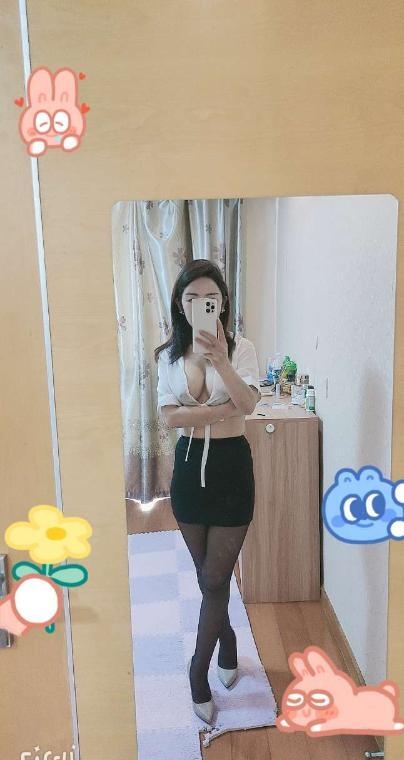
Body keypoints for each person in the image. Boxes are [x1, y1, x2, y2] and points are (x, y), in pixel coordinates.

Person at [154, 259, 261, 724]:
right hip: (187, 473)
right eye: (191, 297)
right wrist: (221, 412)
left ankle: (197, 671)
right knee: (208, 579)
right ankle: (228, 637)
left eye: (210, 297)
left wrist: (221, 362)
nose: (201, 304)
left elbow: (249, 404)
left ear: (223, 302)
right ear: (181, 305)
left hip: (231, 469)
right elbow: (170, 418)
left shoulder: (243, 350)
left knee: (216, 579)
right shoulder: (167, 356)